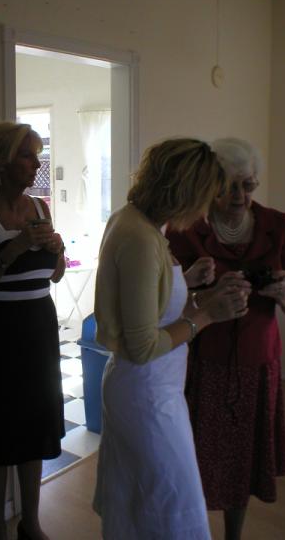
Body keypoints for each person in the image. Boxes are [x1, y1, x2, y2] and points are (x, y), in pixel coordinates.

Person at [92, 138, 252, 540]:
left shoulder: (135, 220)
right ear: (185, 192)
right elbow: (144, 345)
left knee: (144, 504)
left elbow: (150, 307)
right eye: (205, 198)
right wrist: (209, 316)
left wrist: (197, 293)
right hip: (146, 393)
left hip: (151, 387)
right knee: (175, 502)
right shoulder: (141, 239)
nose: (205, 210)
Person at [166, 137, 285, 540]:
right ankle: (191, 530)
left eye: (248, 185)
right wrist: (202, 293)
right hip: (203, 361)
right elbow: (167, 303)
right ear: (210, 185)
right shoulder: (185, 229)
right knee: (193, 459)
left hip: (258, 363)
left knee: (244, 462)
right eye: (228, 187)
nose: (239, 196)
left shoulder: (276, 224)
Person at [0, 117, 66, 540]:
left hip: (40, 330)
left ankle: (31, 523)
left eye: (36, 155)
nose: (36, 164)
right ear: (2, 163)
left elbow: (53, 275)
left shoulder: (40, 208)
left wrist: (57, 250)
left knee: (35, 428)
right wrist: (13, 250)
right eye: (27, 156)